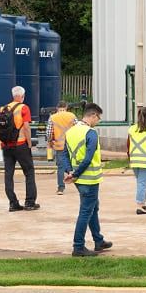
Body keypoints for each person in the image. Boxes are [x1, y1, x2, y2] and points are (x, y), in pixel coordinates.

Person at [63, 103, 112, 257]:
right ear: (92, 116)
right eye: (98, 118)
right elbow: (88, 157)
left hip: (78, 179)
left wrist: (70, 171)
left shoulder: (70, 132)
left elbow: (64, 155)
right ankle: (78, 246)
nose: (98, 121)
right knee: (86, 211)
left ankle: (98, 240)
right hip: (89, 179)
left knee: (92, 208)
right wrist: (76, 173)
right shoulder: (90, 133)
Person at [1, 86, 39, 212]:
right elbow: (27, 127)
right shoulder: (24, 108)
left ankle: (13, 203)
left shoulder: (3, 109)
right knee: (29, 172)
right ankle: (30, 202)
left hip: (6, 146)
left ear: (13, 96)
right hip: (21, 145)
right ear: (22, 96)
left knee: (8, 174)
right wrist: (29, 143)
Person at [127, 106, 146, 215]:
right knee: (142, 183)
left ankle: (143, 202)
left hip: (134, 159)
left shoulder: (132, 129)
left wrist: (129, 158)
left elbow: (128, 145)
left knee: (141, 183)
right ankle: (139, 205)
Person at [46, 100, 78, 195]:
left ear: (57, 108)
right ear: (66, 108)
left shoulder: (53, 117)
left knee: (60, 167)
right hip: (72, 146)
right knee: (75, 165)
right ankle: (79, 185)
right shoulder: (72, 116)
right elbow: (78, 128)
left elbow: (48, 132)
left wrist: (50, 141)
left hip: (59, 146)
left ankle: (61, 188)